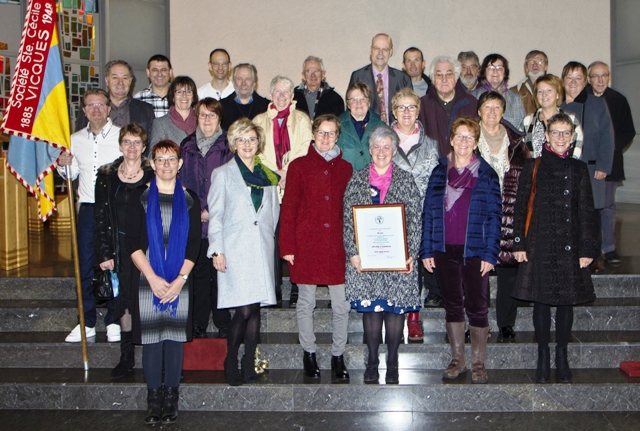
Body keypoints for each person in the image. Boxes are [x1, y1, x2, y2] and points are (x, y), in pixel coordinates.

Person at [512, 112, 596, 383]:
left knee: (566, 302)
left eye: (566, 133)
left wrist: (587, 249)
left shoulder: (578, 169)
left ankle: (561, 355)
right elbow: (520, 205)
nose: (561, 137)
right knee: (541, 300)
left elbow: (586, 211)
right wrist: (518, 243)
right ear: (546, 136)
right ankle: (543, 356)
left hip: (570, 243)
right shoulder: (533, 165)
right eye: (556, 132)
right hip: (540, 241)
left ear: (572, 138)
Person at [420, 117, 502, 384]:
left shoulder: (487, 174)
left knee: (478, 307)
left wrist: (490, 254)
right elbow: (429, 213)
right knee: (453, 305)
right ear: (451, 139)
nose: (463, 141)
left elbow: (494, 216)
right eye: (459, 136)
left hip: (475, 251)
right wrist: (427, 250)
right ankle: (458, 360)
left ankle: (478, 364)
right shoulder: (439, 172)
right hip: (444, 250)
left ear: (476, 143)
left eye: (469, 137)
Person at [125, 139, 201, 424]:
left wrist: (181, 279)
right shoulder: (139, 198)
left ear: (180, 164)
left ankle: (171, 398)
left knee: (174, 341)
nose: (166, 164)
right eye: (161, 159)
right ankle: (153, 400)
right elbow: (132, 244)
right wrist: (153, 278)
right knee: (152, 341)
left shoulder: (190, 199)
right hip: (148, 280)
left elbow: (194, 244)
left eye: (172, 159)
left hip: (180, 279)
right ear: (152, 163)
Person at [343, 126, 422, 385]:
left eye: (386, 147)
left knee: (395, 310)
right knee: (372, 311)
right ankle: (372, 361)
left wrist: (410, 253)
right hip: (367, 260)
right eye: (376, 147)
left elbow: (415, 221)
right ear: (369, 149)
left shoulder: (406, 179)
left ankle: (393, 362)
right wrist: (352, 253)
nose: (381, 152)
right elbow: (347, 219)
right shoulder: (356, 179)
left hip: (397, 258)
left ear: (394, 150)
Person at [279, 114, 353, 380]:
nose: (326, 138)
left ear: (337, 137)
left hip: (337, 247)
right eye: (321, 132)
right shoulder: (298, 166)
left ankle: (337, 355)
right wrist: (287, 245)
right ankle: (308, 353)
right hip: (306, 244)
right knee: (305, 302)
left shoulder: (346, 168)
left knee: (341, 306)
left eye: (331, 133)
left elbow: (351, 211)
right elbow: (289, 209)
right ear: (313, 134)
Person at [207, 119, 280, 386]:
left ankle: (249, 361)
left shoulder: (268, 175)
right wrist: (217, 250)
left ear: (258, 142)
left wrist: (268, 235)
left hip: (260, 248)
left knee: (256, 308)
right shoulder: (223, 174)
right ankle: (230, 359)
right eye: (241, 140)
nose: (247, 144)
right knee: (245, 309)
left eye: (251, 139)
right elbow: (216, 215)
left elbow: (273, 212)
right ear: (233, 144)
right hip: (234, 250)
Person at [58, 88, 123, 344]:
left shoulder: (122, 137)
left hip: (114, 210)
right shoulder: (74, 139)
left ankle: (114, 320)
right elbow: (70, 175)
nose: (96, 109)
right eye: (90, 105)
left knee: (115, 266)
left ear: (109, 108)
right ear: (84, 110)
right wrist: (63, 163)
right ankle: (87, 322)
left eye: (101, 104)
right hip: (87, 209)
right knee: (84, 267)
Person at [94, 123, 155, 380]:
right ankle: (126, 356)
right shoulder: (106, 176)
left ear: (144, 147)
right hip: (119, 250)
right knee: (124, 305)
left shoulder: (154, 174)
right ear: (121, 145)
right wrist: (104, 253)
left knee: (150, 302)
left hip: (147, 248)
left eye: (137, 142)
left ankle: (154, 355)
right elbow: (100, 216)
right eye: (127, 142)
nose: (132, 147)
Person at [418, 55, 478, 308]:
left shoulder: (471, 103)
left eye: (449, 73)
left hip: (465, 177)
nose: (444, 79)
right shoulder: (421, 105)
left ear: (456, 76)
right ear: (432, 78)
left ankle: (462, 285)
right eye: (439, 74)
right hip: (434, 178)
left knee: (458, 235)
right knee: (434, 232)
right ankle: (434, 289)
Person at [253, 75, 313, 306]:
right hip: (269, 188)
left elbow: (306, 148)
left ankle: (298, 285)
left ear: (292, 95)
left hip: (295, 186)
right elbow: (255, 153)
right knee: (271, 239)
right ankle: (274, 288)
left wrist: (289, 173)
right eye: (277, 92)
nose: (281, 96)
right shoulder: (258, 121)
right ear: (270, 95)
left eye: (285, 92)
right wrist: (276, 176)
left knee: (297, 238)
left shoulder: (302, 119)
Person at [476, 91, 530, 339]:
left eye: (497, 107)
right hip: (478, 216)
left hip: (509, 212)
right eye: (487, 107)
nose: (492, 112)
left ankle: (506, 324)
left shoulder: (517, 142)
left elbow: (527, 181)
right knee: (479, 272)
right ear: (479, 111)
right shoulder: (467, 139)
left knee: (508, 272)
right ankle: (478, 322)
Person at [178, 97, 233, 338]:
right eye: (202, 115)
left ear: (220, 118)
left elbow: (233, 184)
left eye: (212, 115)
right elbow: (180, 183)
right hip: (194, 222)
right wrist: (195, 210)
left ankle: (222, 320)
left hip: (221, 222)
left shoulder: (229, 146)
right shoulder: (187, 146)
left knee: (219, 274)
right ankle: (198, 321)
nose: (207, 120)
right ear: (196, 118)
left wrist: (213, 212)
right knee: (198, 274)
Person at [389, 88, 439, 341]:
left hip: (420, 213)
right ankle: (394, 314)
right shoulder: (384, 140)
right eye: (401, 107)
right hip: (392, 213)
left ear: (418, 111)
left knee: (415, 266)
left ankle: (414, 316)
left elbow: (434, 182)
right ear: (393, 111)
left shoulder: (431, 145)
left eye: (411, 107)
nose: (406, 112)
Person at [561, 61, 614, 273]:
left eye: (578, 78)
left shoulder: (597, 104)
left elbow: (607, 137)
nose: (573, 83)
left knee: (592, 214)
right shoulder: (558, 106)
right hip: (566, 170)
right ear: (563, 81)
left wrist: (603, 165)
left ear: (586, 82)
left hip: (592, 169)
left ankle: (594, 255)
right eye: (569, 78)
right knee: (569, 213)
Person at [587, 61, 636, 264]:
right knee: (587, 207)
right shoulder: (582, 99)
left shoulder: (618, 100)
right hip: (587, 163)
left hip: (611, 164)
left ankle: (608, 248)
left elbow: (628, 131)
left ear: (609, 77)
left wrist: (609, 149)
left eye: (604, 76)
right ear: (589, 79)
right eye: (595, 76)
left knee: (607, 207)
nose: (600, 80)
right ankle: (588, 249)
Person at [76, 60, 154, 139]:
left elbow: (151, 144)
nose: (120, 82)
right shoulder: (90, 107)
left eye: (125, 78)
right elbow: (80, 138)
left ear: (130, 81)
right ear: (107, 80)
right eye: (115, 77)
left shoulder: (146, 110)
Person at [348, 33, 412, 124]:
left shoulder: (403, 79)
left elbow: (411, 111)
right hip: (367, 134)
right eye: (376, 48)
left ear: (390, 52)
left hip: (396, 134)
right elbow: (350, 110)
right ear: (371, 50)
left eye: (385, 49)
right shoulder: (358, 76)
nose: (380, 53)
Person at [521, 74, 583, 159]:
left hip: (566, 170)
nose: (544, 94)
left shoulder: (571, 120)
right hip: (536, 171)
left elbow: (577, 148)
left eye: (549, 90)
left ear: (557, 94)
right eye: (540, 91)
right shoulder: (527, 121)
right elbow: (522, 151)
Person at [337, 82, 385, 171]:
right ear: (348, 104)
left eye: (363, 99)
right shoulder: (337, 126)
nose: (358, 103)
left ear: (369, 102)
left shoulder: (381, 127)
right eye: (353, 100)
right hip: (346, 181)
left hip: (374, 181)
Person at [471, 54, 526, 129]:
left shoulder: (516, 98)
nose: (495, 71)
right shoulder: (472, 97)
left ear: (505, 72)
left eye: (499, 68)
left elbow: (522, 128)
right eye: (491, 67)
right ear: (484, 71)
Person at [149, 76, 199, 151]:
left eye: (189, 91)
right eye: (179, 92)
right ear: (172, 96)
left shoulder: (202, 120)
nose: (184, 96)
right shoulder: (160, 124)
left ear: (193, 97)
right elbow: (153, 155)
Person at [220, 63, 269, 130]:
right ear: (234, 82)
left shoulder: (266, 107)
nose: (243, 83)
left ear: (254, 83)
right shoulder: (221, 107)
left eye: (248, 79)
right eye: (239, 79)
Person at [510, 50, 549, 115]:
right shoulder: (515, 91)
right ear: (526, 67)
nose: (535, 65)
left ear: (546, 66)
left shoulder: (557, 89)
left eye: (539, 61)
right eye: (531, 62)